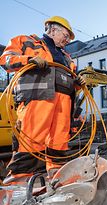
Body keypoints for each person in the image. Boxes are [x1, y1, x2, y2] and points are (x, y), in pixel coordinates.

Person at [0, 16, 85, 184]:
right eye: (66, 36)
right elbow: (5, 59)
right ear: (53, 30)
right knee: (30, 143)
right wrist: (28, 60)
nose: (67, 41)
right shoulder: (27, 41)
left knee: (58, 146)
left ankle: (58, 184)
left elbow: (69, 78)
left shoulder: (67, 57)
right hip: (38, 101)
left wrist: (78, 83)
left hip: (63, 105)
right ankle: (16, 189)